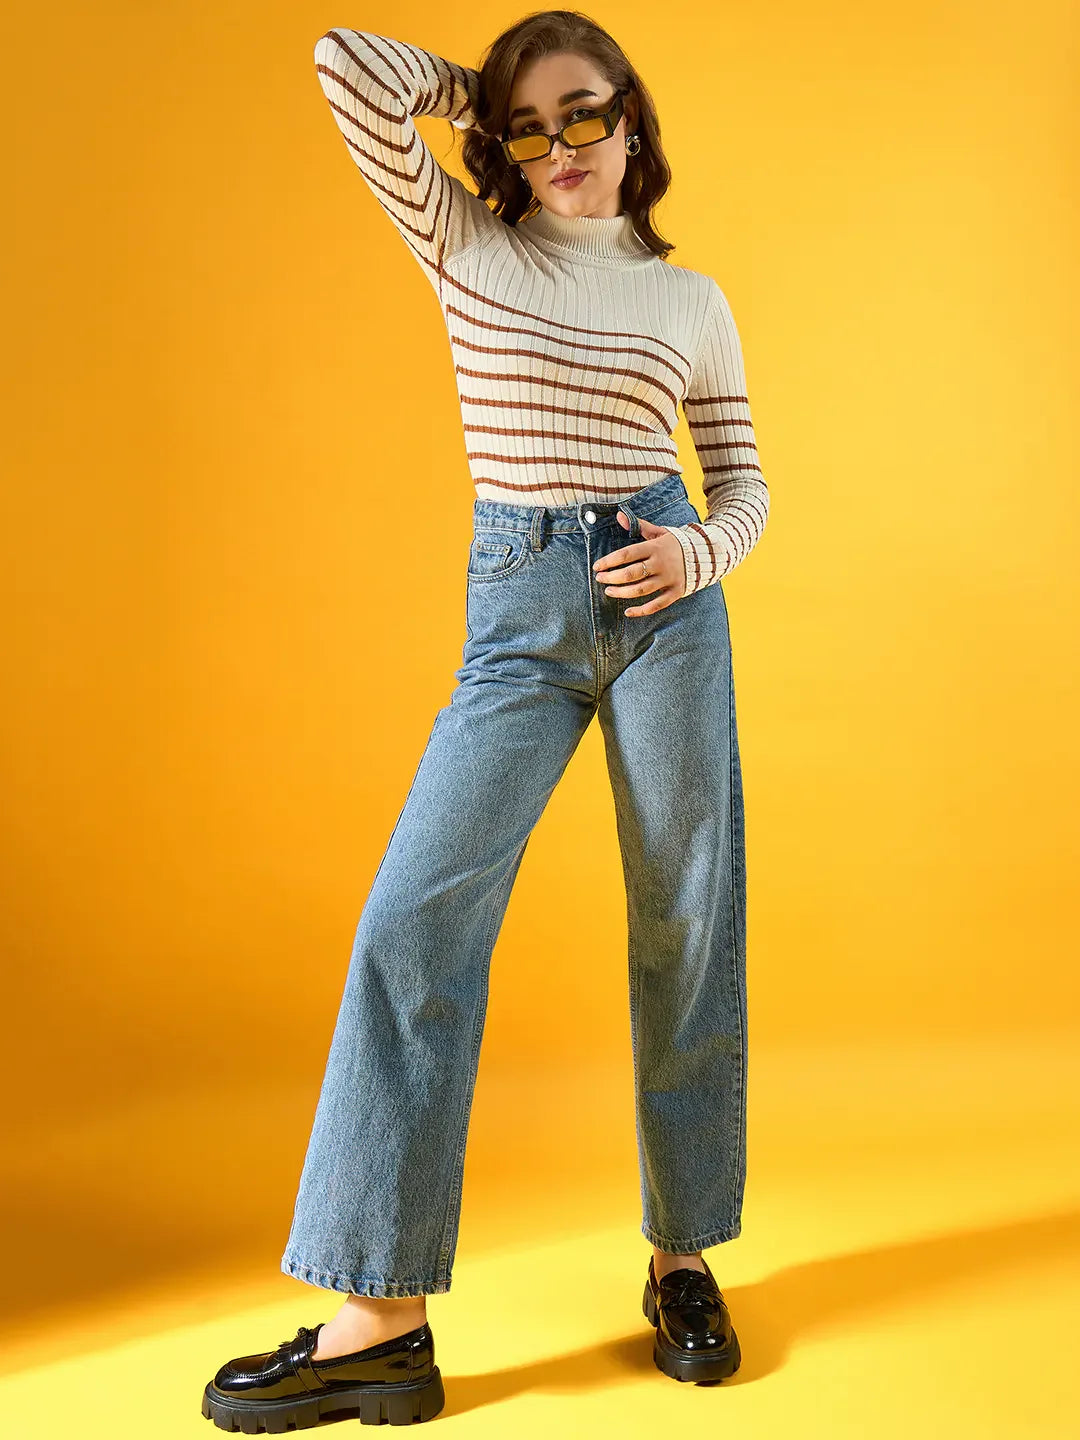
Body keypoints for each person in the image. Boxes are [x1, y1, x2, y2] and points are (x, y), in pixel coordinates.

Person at [201, 10, 768, 1429]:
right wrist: (487, 94)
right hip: (518, 618)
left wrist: (700, 553)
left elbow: (745, 481)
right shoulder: (467, 242)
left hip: (665, 614)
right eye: (531, 127)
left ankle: (683, 1255)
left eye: (586, 114)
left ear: (633, 121)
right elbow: (343, 64)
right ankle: (379, 1318)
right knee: (416, 922)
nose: (560, 147)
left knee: (687, 921)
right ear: (498, 146)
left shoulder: (693, 300)